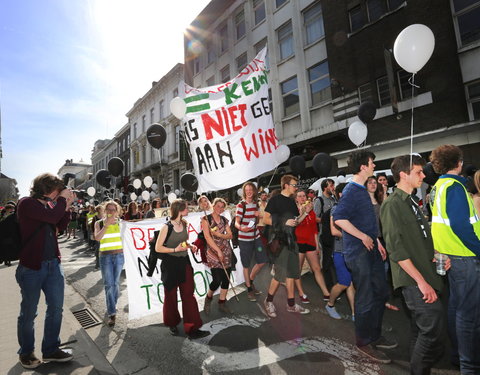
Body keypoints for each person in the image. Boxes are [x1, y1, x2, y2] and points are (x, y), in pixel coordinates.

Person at [381, 155, 447, 374]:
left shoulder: (412, 201)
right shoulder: (392, 204)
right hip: (413, 280)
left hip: (426, 273)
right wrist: (421, 282)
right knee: (432, 334)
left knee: (421, 332)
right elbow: (396, 249)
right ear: (403, 175)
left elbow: (421, 237)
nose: (424, 175)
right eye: (418, 172)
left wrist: (438, 255)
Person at [333, 150, 395, 364]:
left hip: (371, 249)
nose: (374, 166)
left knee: (380, 292)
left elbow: (365, 221)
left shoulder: (362, 189)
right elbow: (338, 218)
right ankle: (364, 342)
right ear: (363, 167)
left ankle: (374, 335)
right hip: (358, 253)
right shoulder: (351, 190)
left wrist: (376, 241)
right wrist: (363, 238)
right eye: (372, 163)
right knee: (366, 296)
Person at [429, 145, 480, 373]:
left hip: (448, 255)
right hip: (463, 256)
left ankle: (457, 355)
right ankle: (469, 365)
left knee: (456, 308)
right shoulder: (455, 187)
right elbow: (461, 225)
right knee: (468, 314)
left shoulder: (437, 187)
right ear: (458, 163)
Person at [16, 173, 75, 369]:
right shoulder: (26, 203)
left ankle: (50, 349)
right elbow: (51, 216)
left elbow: (60, 224)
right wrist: (61, 202)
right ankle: (26, 352)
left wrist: (65, 206)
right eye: (58, 192)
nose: (60, 195)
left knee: (56, 309)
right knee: (29, 313)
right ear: (47, 189)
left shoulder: (51, 206)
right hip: (32, 267)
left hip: (53, 265)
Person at [155, 199, 209, 339]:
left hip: (184, 263)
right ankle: (172, 323)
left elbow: (184, 241)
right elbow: (158, 248)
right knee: (171, 296)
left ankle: (192, 328)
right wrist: (175, 249)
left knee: (188, 296)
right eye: (186, 208)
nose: (188, 210)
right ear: (179, 209)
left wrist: (190, 246)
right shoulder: (166, 227)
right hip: (170, 265)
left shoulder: (184, 223)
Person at [263, 174, 310, 317]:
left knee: (291, 273)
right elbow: (265, 219)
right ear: (286, 185)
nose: (296, 188)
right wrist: (283, 223)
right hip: (280, 241)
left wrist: (305, 214)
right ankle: (268, 301)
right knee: (279, 275)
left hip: (292, 241)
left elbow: (295, 222)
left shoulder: (291, 201)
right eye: (294, 185)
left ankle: (291, 304)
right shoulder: (275, 200)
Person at [365, 176, 399, 312]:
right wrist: (376, 240)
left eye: (375, 182)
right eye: (370, 182)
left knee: (385, 268)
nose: (373, 185)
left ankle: (380, 298)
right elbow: (368, 224)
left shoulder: (379, 199)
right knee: (377, 269)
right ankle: (375, 299)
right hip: (373, 240)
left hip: (384, 238)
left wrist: (384, 193)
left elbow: (386, 213)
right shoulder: (364, 202)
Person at [293, 190, 331, 303]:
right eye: (299, 196)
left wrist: (317, 245)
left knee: (317, 268)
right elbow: (296, 223)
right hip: (298, 243)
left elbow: (314, 229)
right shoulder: (295, 210)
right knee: (297, 270)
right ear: (296, 198)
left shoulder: (311, 210)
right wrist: (304, 212)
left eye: (304, 196)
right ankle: (301, 293)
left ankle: (326, 293)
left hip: (310, 243)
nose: (302, 198)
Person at [326, 183, 355, 320]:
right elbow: (333, 231)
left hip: (351, 251)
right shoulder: (336, 209)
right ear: (341, 194)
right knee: (344, 283)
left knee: (350, 283)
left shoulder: (351, 208)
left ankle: (355, 313)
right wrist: (353, 234)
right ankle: (330, 305)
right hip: (340, 251)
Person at [235, 182, 268, 302]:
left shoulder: (256, 204)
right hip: (244, 239)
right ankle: (249, 288)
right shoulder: (241, 205)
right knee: (246, 265)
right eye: (246, 190)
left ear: (254, 191)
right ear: (244, 192)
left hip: (256, 236)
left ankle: (250, 281)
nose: (249, 191)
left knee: (262, 261)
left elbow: (257, 219)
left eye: (250, 189)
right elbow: (236, 222)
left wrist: (258, 215)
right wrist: (241, 228)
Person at [202, 198, 234, 314]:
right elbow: (207, 237)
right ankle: (208, 298)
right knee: (216, 280)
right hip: (212, 252)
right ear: (213, 206)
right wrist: (218, 251)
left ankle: (222, 302)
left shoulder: (225, 220)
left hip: (226, 251)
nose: (219, 208)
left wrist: (218, 234)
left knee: (226, 279)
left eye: (222, 207)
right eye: (218, 206)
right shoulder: (206, 219)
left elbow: (230, 235)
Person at [94, 201, 124, 326]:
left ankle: (112, 304)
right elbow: (97, 238)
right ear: (105, 210)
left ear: (117, 211)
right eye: (109, 209)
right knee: (109, 285)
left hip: (119, 256)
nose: (111, 212)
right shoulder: (99, 223)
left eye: (113, 209)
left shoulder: (121, 223)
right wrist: (106, 225)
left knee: (116, 284)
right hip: (105, 257)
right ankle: (112, 313)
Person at [315, 178, 337, 288]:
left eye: (333, 185)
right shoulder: (319, 200)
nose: (333, 187)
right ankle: (329, 286)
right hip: (325, 234)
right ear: (325, 188)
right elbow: (315, 217)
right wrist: (327, 220)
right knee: (327, 261)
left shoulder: (334, 200)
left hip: (336, 234)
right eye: (331, 186)